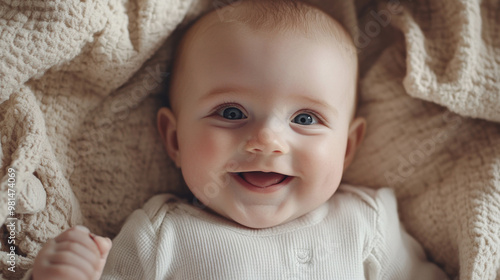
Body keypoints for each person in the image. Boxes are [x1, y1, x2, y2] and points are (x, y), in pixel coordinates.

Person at [28, 0, 449, 279]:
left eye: (305, 118)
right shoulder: (160, 237)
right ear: (174, 139)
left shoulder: (365, 224)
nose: (267, 140)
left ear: (348, 146)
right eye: (231, 113)